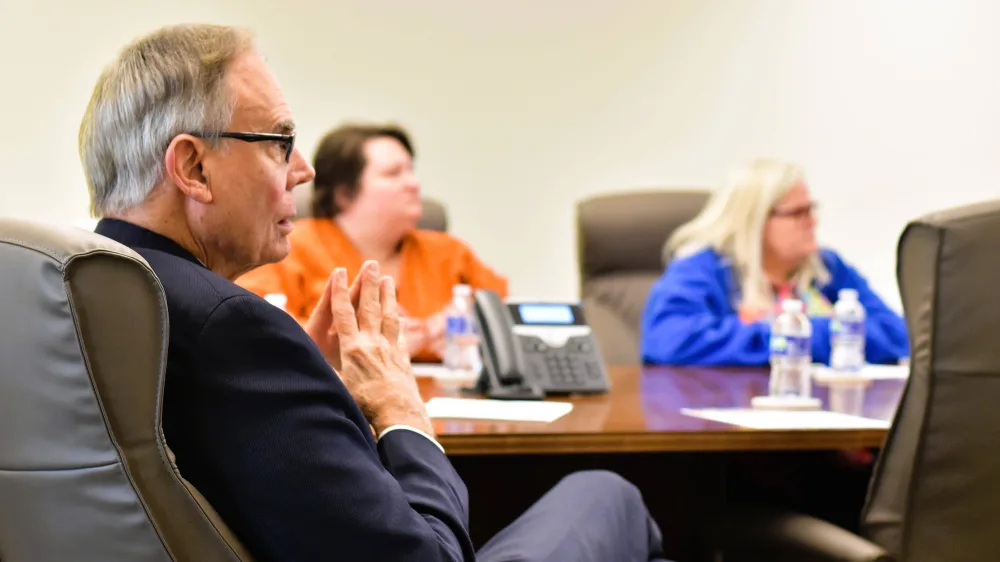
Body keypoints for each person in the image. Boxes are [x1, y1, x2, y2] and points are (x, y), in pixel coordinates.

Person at [80, 24, 668, 562]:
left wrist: (310, 387)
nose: (302, 170)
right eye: (280, 141)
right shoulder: (232, 329)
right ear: (193, 168)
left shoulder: (88, 294)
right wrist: (400, 409)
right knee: (606, 494)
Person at [236, 123, 506, 362]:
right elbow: (254, 324)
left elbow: (505, 315)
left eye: (411, 171)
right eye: (393, 174)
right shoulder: (289, 247)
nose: (414, 184)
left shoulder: (449, 252)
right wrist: (355, 337)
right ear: (344, 193)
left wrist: (471, 326)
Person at [641, 158, 909, 367]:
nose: (812, 221)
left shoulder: (826, 267)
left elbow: (897, 334)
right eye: (798, 213)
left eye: (811, 209)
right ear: (754, 220)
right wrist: (801, 337)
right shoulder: (704, 266)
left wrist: (802, 337)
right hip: (730, 407)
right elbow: (669, 339)